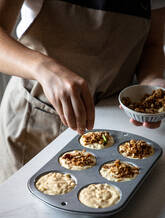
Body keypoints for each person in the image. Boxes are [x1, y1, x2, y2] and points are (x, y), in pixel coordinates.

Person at [0, 0, 164, 183]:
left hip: (111, 119)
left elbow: (153, 44)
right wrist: (44, 68)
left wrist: (152, 85)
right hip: (36, 118)